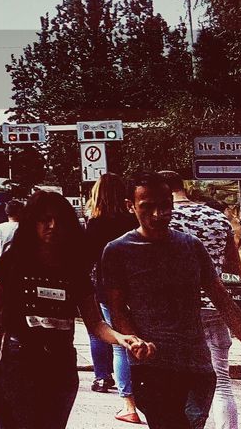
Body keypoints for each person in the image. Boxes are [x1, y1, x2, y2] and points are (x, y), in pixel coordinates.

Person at [0, 191, 153, 429]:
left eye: (59, 220)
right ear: (32, 222)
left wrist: (122, 338)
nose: (52, 226)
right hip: (15, 365)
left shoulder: (73, 268)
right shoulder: (15, 261)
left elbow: (95, 323)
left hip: (58, 369)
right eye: (44, 219)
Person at [101, 173, 241, 429]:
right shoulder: (118, 251)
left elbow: (220, 297)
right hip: (152, 366)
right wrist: (134, 341)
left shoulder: (190, 246)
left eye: (164, 205)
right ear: (130, 206)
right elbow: (117, 307)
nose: (158, 214)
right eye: (147, 207)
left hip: (197, 365)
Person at [165, 169, 241, 429]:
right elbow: (233, 265)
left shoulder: (162, 219)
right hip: (216, 304)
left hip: (176, 310)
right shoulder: (216, 217)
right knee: (221, 380)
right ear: (183, 187)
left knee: (180, 381)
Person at [83, 173, 141, 421]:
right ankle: (142, 388)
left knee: (109, 337)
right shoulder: (133, 219)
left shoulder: (94, 223)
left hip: (106, 287)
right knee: (138, 334)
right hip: (137, 286)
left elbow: (86, 258)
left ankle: (116, 389)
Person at [0, 199, 22, 264]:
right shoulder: (27, 229)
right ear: (20, 212)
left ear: (7, 212)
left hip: (3, 269)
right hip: (22, 270)